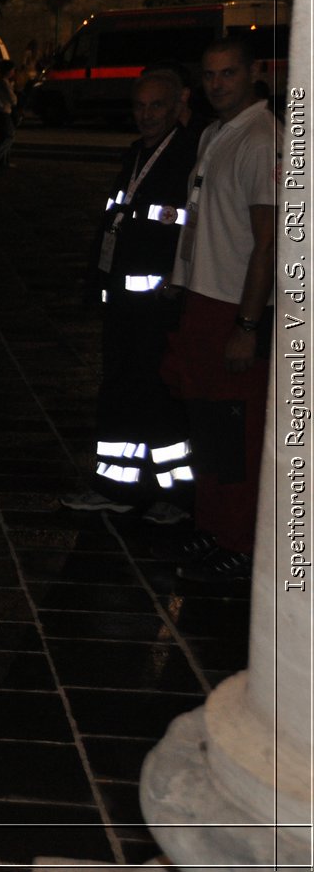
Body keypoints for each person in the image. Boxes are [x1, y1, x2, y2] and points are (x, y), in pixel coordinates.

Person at [161, 37, 276, 584]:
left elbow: (269, 242)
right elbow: (197, 220)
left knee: (235, 430)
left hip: (235, 306)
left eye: (229, 73)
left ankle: (241, 542)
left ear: (253, 74)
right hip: (202, 300)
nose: (218, 84)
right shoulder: (213, 135)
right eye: (209, 75)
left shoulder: (261, 139)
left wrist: (247, 326)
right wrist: (180, 285)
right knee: (205, 424)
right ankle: (212, 523)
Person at [59, 70, 197, 521]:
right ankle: (117, 486)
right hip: (123, 306)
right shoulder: (137, 155)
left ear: (179, 105)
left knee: (158, 398)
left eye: (156, 105)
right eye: (140, 106)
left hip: (158, 307)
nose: (146, 115)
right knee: (120, 394)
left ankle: (175, 495)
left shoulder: (187, 157)